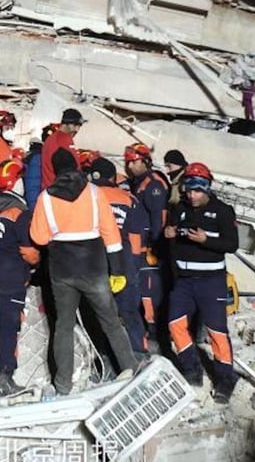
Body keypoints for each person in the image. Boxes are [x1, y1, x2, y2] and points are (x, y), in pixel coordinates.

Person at [30, 149, 137, 395]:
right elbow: (111, 232)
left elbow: (39, 237)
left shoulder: (45, 197)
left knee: (63, 326)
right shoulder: (94, 192)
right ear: (77, 167)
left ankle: (63, 385)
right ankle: (130, 369)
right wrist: (117, 269)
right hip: (94, 266)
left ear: (55, 170)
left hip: (61, 269)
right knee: (110, 321)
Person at [164, 162, 240, 403]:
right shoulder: (180, 209)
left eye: (197, 190)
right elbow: (171, 240)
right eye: (188, 190)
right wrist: (169, 235)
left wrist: (206, 240)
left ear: (206, 189)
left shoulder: (223, 211)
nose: (192, 195)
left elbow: (231, 245)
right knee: (174, 324)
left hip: (212, 282)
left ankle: (225, 379)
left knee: (217, 332)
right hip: (184, 282)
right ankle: (192, 370)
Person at [0, 158, 39, 397]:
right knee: (11, 327)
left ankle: (3, 368)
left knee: (2, 322)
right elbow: (29, 253)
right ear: (18, 183)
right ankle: (4, 377)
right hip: (10, 277)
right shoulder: (19, 213)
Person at [89, 157, 148, 357]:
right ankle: (139, 352)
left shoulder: (87, 197)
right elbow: (135, 237)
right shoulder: (128, 199)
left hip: (95, 258)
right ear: (113, 177)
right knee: (129, 311)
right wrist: (135, 266)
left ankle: (103, 357)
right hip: (124, 258)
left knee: (98, 312)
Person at [123, 143, 169, 346]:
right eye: (128, 162)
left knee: (149, 291)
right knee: (140, 290)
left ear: (145, 161)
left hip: (148, 247)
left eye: (134, 162)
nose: (130, 166)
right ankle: (146, 328)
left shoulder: (153, 184)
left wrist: (155, 245)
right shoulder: (137, 182)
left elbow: (159, 217)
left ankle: (156, 330)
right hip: (136, 246)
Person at [40, 108, 86, 190]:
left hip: (56, 190)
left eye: (79, 126)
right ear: (65, 124)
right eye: (74, 125)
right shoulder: (60, 142)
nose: (77, 130)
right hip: (60, 192)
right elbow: (68, 174)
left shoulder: (59, 139)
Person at [22, 123, 57, 211]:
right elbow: (33, 185)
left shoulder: (47, 157)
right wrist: (34, 210)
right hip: (40, 207)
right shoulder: (38, 158)